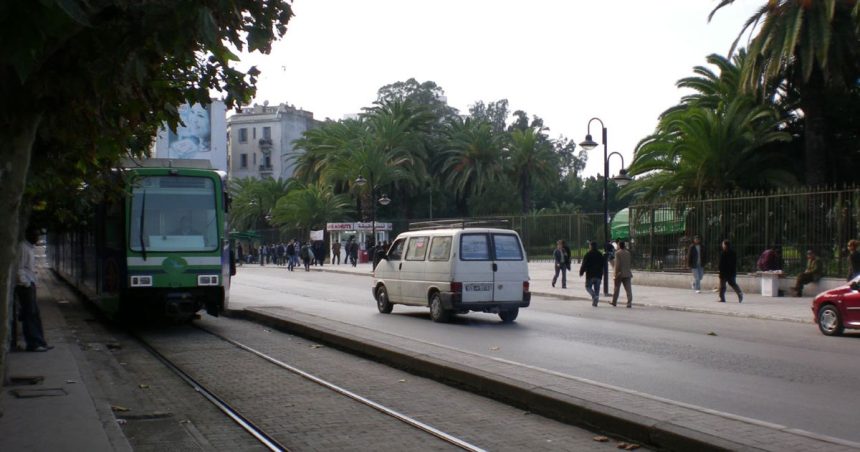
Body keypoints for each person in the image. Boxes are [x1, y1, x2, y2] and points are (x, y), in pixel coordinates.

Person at [15, 227, 53, 352]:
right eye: (35, 235)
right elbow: (19, 268)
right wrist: (26, 283)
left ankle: (40, 342)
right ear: (29, 235)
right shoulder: (23, 248)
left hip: (30, 285)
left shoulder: (29, 248)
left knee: (34, 314)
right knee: (29, 315)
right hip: (25, 287)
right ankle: (33, 344)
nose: (38, 238)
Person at [579, 241, 604, 306]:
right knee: (597, 289)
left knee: (588, 287)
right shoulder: (600, 254)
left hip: (590, 274)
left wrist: (581, 272)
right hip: (598, 274)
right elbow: (602, 264)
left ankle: (594, 296)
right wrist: (602, 273)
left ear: (591, 246)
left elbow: (584, 264)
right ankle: (595, 302)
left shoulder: (588, 254)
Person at [611, 241, 633, 308]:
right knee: (628, 289)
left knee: (616, 289)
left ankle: (614, 302)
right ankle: (629, 303)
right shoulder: (628, 253)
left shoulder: (617, 253)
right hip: (627, 273)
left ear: (619, 246)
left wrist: (615, 274)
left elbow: (617, 264)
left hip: (620, 273)